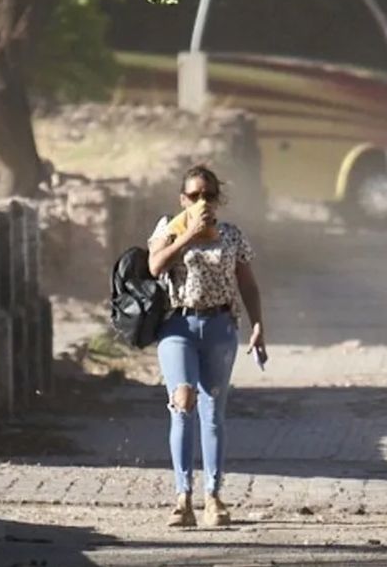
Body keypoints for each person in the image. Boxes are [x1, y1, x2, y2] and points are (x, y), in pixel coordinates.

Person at [147, 164, 267, 527]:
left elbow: (247, 283)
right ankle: (182, 498)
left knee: (213, 413)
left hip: (219, 326)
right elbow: (155, 266)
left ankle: (213, 497)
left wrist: (258, 324)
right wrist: (188, 236)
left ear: (218, 199)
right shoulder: (169, 229)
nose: (202, 201)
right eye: (195, 195)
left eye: (208, 195)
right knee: (182, 402)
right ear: (183, 199)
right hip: (178, 326)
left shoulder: (230, 236)